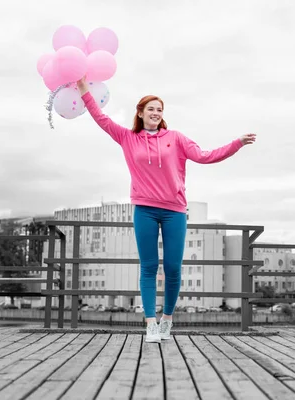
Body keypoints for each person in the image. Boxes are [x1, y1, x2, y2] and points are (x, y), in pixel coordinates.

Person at [76, 77, 256, 342]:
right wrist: (83, 89)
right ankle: (150, 324)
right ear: (140, 113)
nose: (156, 113)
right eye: (151, 109)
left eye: (160, 109)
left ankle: (167, 320)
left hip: (174, 211)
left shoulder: (175, 138)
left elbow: (206, 156)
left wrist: (236, 143)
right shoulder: (128, 138)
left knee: (173, 268)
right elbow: (100, 118)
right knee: (148, 267)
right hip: (145, 211)